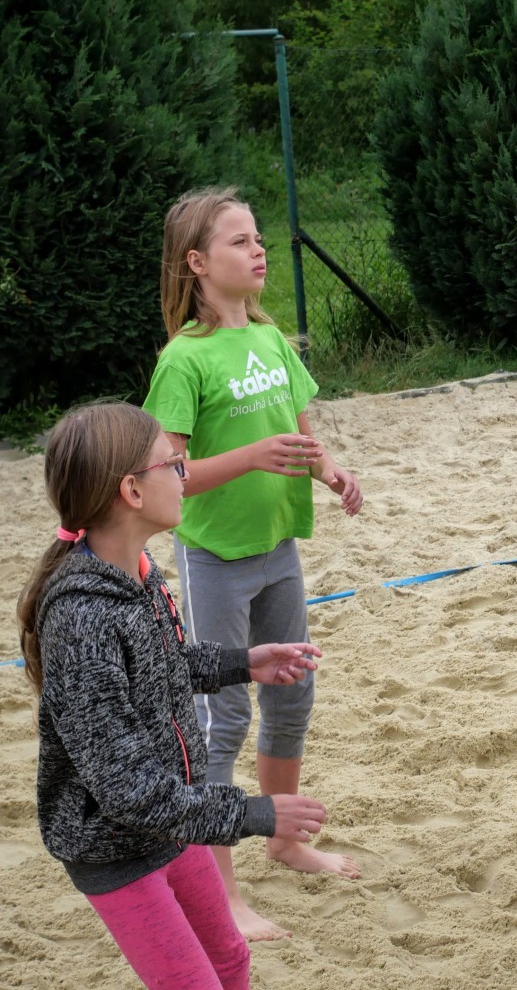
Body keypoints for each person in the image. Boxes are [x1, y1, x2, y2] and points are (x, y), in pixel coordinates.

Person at [17, 401, 330, 990]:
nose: (185, 474)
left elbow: (159, 666)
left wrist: (241, 663)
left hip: (174, 819)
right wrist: (254, 813)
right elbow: (126, 791)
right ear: (132, 491)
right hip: (117, 849)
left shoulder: (138, 571)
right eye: (174, 464)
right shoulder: (83, 619)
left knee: (231, 960)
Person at [142, 188, 364, 941]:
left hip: (279, 548)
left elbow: (301, 433)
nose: (259, 249)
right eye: (239, 242)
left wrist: (330, 472)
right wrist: (252, 456)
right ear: (198, 263)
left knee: (293, 691)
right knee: (223, 716)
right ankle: (222, 893)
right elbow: (168, 475)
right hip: (215, 559)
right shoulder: (184, 359)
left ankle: (285, 839)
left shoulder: (271, 340)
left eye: (259, 237)